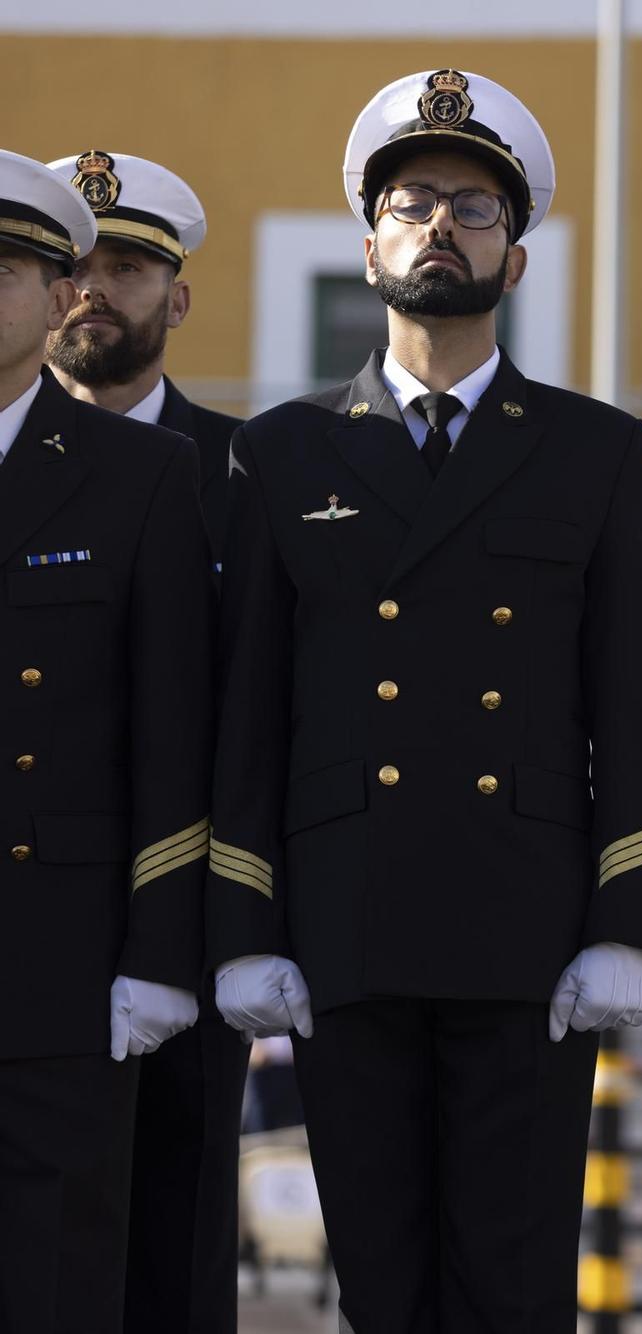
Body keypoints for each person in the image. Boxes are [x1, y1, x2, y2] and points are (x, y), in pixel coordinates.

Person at [202, 70, 642, 1331]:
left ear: (515, 259)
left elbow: (631, 701)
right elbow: (251, 709)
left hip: (524, 929)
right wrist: (244, 922)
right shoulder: (283, 451)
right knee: (381, 1279)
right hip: (347, 920)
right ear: (369, 251)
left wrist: (625, 918)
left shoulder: (595, 448)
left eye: (474, 208)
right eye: (411, 204)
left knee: (515, 1287)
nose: (440, 228)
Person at [0, 149, 211, 1334]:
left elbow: (169, 731)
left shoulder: (145, 474)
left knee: (57, 1286)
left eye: (12, 270)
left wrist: (157, 951)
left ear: (55, 292)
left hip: (61, 962)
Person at [43, 146, 248, 1334]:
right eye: (72, 266)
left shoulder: (249, 471)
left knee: (175, 1248)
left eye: (127, 268)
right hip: (32, 916)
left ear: (176, 296)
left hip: (193, 924)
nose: (93, 292)